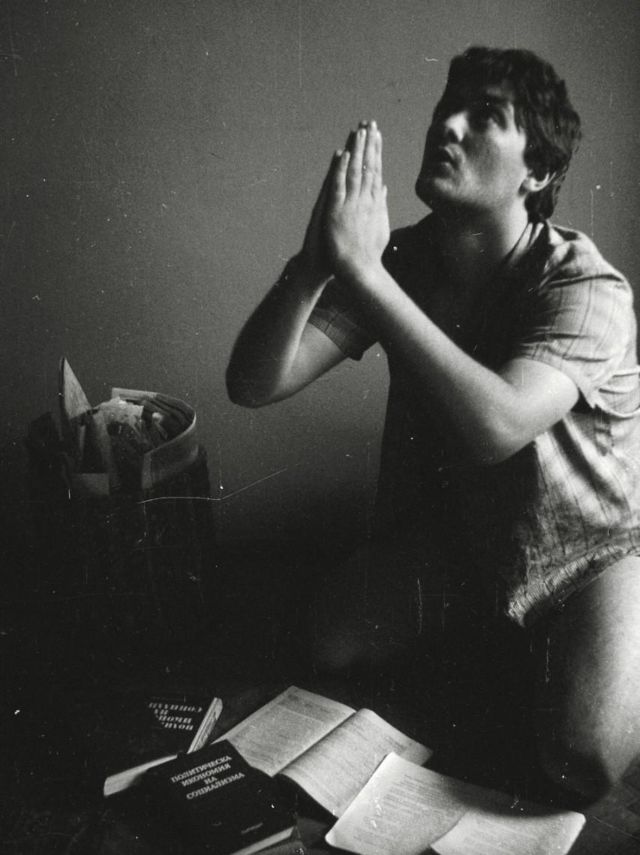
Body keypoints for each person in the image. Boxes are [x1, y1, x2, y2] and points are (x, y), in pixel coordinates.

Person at [226, 46, 640, 803]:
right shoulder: (403, 260)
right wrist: (315, 262)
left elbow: (498, 425)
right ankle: (511, 648)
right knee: (328, 641)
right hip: (468, 543)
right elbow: (254, 384)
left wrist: (365, 274)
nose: (447, 125)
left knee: (582, 760)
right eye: (449, 106)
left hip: (595, 552)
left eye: (485, 117)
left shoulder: (587, 287)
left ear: (538, 171)